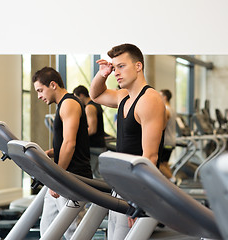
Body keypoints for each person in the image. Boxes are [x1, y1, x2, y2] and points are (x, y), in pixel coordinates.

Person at [89, 43, 166, 240]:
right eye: (114, 68)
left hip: (135, 189)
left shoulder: (150, 99)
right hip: (121, 185)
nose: (116, 72)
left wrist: (137, 201)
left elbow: (150, 156)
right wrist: (103, 73)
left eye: (121, 66)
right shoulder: (124, 96)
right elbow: (95, 95)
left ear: (138, 66)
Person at [32, 67, 92, 239]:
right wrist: (52, 152)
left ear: (53, 85)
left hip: (72, 177)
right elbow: (67, 142)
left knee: (74, 233)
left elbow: (69, 143)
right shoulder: (63, 105)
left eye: (40, 90)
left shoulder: (69, 103)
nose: (38, 96)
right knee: (47, 230)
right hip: (62, 177)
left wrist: (57, 178)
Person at [73, 85, 106, 178]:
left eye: (77, 97)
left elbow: (92, 129)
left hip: (94, 146)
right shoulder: (95, 104)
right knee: (97, 175)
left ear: (82, 95)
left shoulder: (90, 107)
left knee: (96, 176)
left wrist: (76, 137)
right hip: (98, 145)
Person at [159, 89, 177, 182]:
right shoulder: (172, 109)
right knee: (165, 164)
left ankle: (173, 180)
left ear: (165, 97)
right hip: (171, 140)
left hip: (166, 141)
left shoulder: (166, 110)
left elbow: (162, 126)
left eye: (160, 95)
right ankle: (170, 181)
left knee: (160, 164)